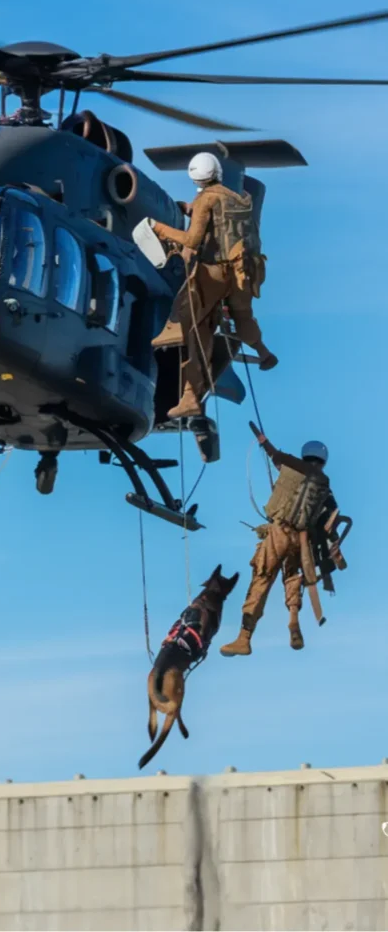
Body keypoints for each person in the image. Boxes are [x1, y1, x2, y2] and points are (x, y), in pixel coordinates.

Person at [151, 152, 277, 419]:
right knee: (242, 316)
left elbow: (193, 240)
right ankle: (264, 354)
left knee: (193, 328)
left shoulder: (206, 199)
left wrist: (161, 230)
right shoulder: (238, 197)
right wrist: (192, 210)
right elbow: (222, 224)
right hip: (244, 273)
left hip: (215, 273)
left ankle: (189, 397)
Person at [220, 423, 337, 656]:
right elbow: (331, 516)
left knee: (262, 578)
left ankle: (244, 638)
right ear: (323, 460)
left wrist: (263, 441)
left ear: (306, 454)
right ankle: (294, 623)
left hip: (279, 533)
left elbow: (274, 455)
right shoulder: (325, 484)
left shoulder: (293, 464)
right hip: (301, 540)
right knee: (292, 577)